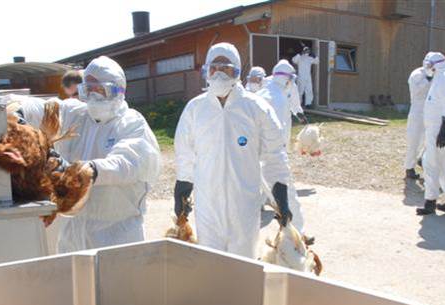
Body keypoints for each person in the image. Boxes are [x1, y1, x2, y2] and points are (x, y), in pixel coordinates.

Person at [18, 56, 161, 252]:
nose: (93, 96)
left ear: (118, 90)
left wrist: (89, 170)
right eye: (88, 90)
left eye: (100, 90)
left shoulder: (132, 123)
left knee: (114, 273)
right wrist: (20, 111)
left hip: (115, 236)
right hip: (72, 233)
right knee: (72, 272)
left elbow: (127, 163)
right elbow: (44, 108)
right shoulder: (76, 114)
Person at [173, 42, 292, 258]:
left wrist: (280, 193)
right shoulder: (195, 109)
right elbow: (185, 154)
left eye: (225, 68)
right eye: (214, 68)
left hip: (244, 206)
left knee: (243, 266)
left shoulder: (256, 108)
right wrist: (183, 185)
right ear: (206, 71)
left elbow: (274, 154)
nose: (218, 74)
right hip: (208, 205)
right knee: (211, 265)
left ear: (236, 72)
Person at [257, 59, 306, 232]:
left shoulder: (263, 92)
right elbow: (277, 131)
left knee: (254, 187)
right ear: (288, 80)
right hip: (273, 153)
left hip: (255, 152)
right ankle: (298, 233)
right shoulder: (278, 98)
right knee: (288, 193)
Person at [416, 52, 445, 216]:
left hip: (441, 128)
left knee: (430, 163)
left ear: (434, 65)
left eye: (428, 65)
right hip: (439, 128)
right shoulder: (442, 77)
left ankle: (430, 201)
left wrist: (443, 130)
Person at [404, 57, 433, 180]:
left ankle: (422, 159)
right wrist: (427, 80)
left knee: (431, 140)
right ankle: (409, 168)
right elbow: (416, 91)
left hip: (431, 111)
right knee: (414, 140)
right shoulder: (417, 74)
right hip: (417, 111)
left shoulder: (436, 75)